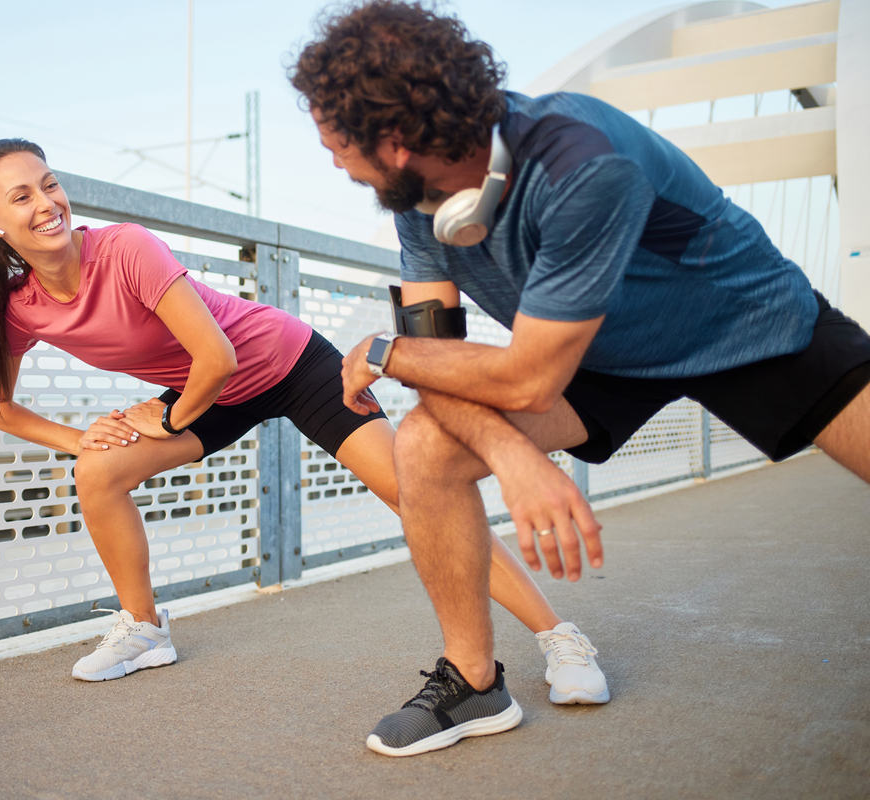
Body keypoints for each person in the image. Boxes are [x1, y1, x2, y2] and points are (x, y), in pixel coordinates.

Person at [291, 0, 870, 758]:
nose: (334, 160)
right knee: (427, 446)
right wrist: (511, 454)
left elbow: (517, 375)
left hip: (748, 327)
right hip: (593, 359)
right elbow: (444, 365)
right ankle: (474, 682)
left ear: (394, 143)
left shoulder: (580, 158)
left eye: (336, 144)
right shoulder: (419, 203)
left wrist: (383, 351)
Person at [0, 138, 610, 698]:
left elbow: (217, 354)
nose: (47, 204)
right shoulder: (19, 306)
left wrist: (170, 418)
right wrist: (81, 439)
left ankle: (561, 639)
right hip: (206, 392)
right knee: (98, 473)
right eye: (21, 197)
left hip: (290, 365)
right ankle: (145, 630)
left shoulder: (126, 248)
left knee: (419, 498)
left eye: (50, 185)